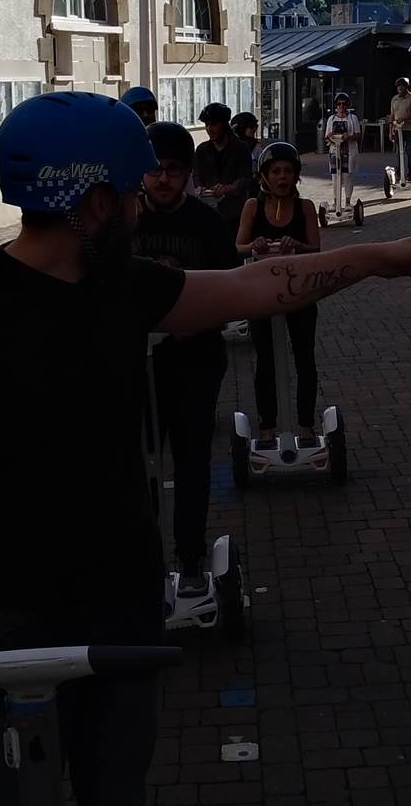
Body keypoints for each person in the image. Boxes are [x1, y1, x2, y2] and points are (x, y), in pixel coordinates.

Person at [0, 91, 411, 805]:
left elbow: (252, 286)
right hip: (13, 617)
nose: (139, 206)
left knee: (117, 788)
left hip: (124, 601)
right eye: (127, 193)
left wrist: (370, 257)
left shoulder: (123, 288)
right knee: (19, 791)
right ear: (90, 202)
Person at [135, 121, 240, 597]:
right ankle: (138, 558)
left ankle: (191, 557)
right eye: (154, 170)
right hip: (136, 366)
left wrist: (195, 322)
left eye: (173, 171)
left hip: (195, 359)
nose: (162, 179)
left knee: (192, 458)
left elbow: (231, 289)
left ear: (187, 173)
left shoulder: (205, 223)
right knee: (136, 461)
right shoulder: (121, 222)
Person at [236, 142, 322, 445]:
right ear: (265, 176)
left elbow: (316, 249)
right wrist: (256, 245)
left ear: (295, 176)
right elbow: (239, 246)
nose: (282, 178)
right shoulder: (253, 206)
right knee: (266, 361)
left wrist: (296, 246)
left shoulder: (305, 208)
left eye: (287, 172)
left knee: (304, 358)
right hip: (262, 293)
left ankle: (306, 424)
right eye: (276, 172)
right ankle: (267, 424)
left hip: (299, 292)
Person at [194, 102, 255, 233]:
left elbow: (246, 180)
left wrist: (227, 188)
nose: (209, 129)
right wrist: (199, 187)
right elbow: (197, 175)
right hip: (209, 212)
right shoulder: (202, 150)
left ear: (224, 125)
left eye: (214, 124)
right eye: (207, 125)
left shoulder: (240, 148)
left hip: (235, 214)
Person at [323, 93, 361, 208]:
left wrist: (347, 137)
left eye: (344, 103)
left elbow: (358, 135)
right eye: (339, 103)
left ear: (347, 105)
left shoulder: (352, 118)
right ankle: (336, 202)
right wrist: (332, 138)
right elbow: (327, 135)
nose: (341, 106)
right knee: (335, 176)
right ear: (336, 105)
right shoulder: (331, 119)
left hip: (349, 151)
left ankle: (348, 202)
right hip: (335, 150)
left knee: (347, 175)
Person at [390, 76, 411, 184]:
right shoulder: (394, 99)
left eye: (402, 86)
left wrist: (404, 119)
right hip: (398, 129)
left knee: (409, 152)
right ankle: (399, 172)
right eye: (398, 86)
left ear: (406, 87)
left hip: (410, 129)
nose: (400, 88)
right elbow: (392, 115)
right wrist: (391, 130)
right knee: (399, 152)